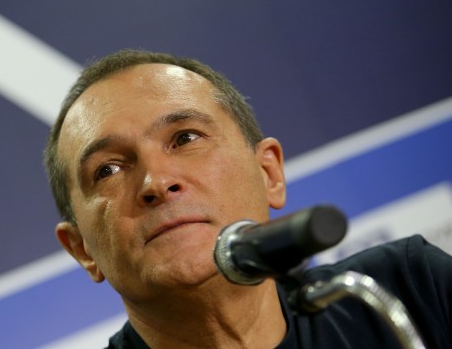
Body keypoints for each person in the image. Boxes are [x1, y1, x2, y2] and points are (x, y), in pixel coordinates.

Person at [43, 49, 452, 348]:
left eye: (185, 138)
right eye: (108, 170)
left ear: (269, 173)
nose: (156, 182)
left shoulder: (402, 289)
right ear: (82, 250)